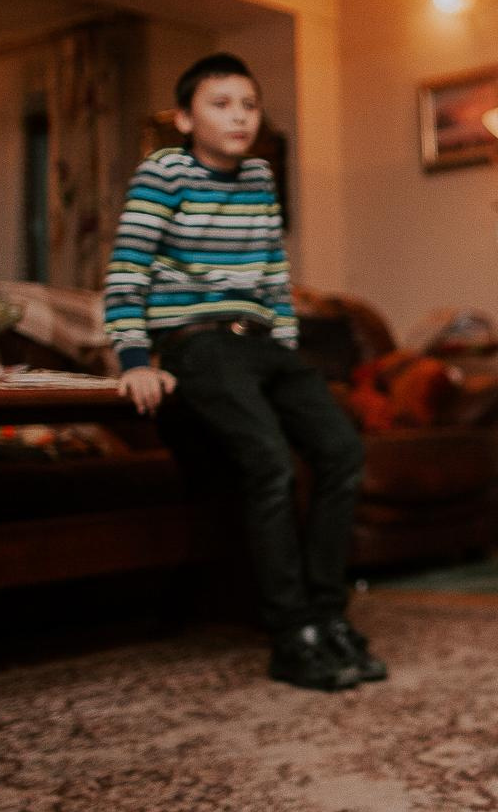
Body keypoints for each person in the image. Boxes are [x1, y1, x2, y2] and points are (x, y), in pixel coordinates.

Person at [104, 53, 376, 693]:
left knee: (342, 451)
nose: (239, 117)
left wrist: (285, 351)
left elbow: (274, 276)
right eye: (221, 104)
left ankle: (328, 615)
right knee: (270, 464)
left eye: (249, 105)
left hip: (261, 344)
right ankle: (291, 633)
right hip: (196, 342)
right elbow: (127, 270)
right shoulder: (164, 172)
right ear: (184, 118)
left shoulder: (258, 177)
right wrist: (136, 359)